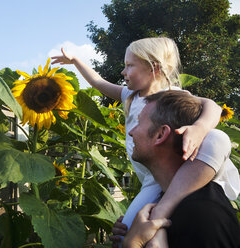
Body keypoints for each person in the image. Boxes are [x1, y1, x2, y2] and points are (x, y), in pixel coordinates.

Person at [51, 37, 240, 246]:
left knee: (216, 138)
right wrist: (76, 61)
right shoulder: (130, 96)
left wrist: (200, 128)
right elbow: (98, 83)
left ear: (154, 68)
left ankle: (163, 214)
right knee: (126, 237)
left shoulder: (171, 96)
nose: (124, 72)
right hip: (151, 182)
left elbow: (212, 106)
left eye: (129, 65)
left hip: (181, 171)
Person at [118, 90, 240, 247]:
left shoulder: (201, 216)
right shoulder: (161, 202)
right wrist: (128, 233)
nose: (131, 131)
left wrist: (132, 243)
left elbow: (218, 139)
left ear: (161, 134)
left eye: (139, 122)